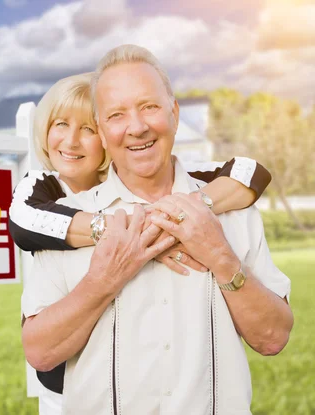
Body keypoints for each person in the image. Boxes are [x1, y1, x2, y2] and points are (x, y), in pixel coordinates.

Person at [20, 44, 292, 415]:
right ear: (102, 130)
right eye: (117, 115)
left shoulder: (234, 211)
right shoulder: (67, 223)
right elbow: (39, 351)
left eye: (149, 107)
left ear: (174, 113)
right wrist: (104, 279)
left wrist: (220, 256)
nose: (137, 127)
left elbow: (273, 338)